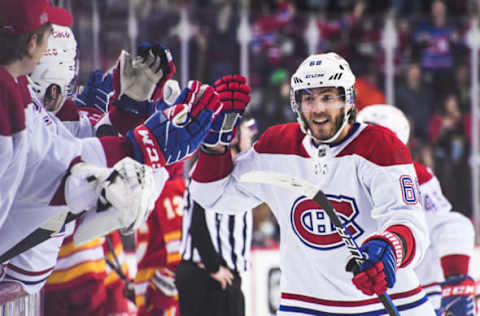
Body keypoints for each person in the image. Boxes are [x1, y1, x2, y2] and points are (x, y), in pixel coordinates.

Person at [190, 53, 436, 315]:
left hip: (391, 302)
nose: (317, 109)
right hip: (305, 306)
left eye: (328, 97)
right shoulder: (278, 146)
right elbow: (213, 197)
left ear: (347, 100)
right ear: (298, 104)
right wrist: (215, 144)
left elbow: (410, 224)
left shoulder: (380, 146)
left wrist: (388, 249)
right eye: (309, 98)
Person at [0, 0, 222, 260]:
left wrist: (127, 118)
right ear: (31, 44)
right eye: (48, 31)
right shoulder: (8, 98)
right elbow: (51, 167)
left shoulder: (15, 91)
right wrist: (142, 147)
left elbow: (58, 154)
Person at [357, 104, 477, 316]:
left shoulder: (413, 176)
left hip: (417, 294)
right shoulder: (340, 175)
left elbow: (449, 226)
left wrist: (456, 282)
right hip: (364, 297)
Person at [175, 118, 256, 316]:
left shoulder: (234, 167)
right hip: (210, 276)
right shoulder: (215, 168)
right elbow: (198, 222)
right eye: (248, 131)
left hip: (217, 274)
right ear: (233, 136)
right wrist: (213, 267)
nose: (252, 135)